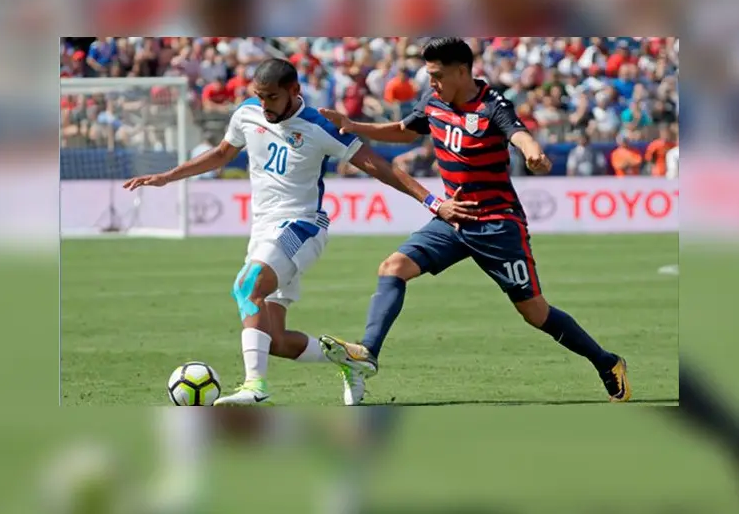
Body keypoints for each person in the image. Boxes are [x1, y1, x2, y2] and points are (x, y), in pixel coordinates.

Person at [123, 58, 477, 406]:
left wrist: (433, 202)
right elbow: (220, 154)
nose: (264, 106)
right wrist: (168, 176)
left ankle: (255, 386)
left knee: (247, 286)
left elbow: (378, 167)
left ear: (294, 90)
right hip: (263, 231)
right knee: (273, 339)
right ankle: (352, 359)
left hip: (302, 225)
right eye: (259, 96)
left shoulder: (317, 125)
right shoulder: (247, 113)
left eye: (272, 98)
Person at [315, 38, 629, 405]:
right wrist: (353, 125)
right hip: (453, 219)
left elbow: (519, 134)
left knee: (535, 313)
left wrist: (534, 155)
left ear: (462, 72)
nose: (431, 82)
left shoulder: (492, 105)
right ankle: (367, 352)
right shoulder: (434, 102)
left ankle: (608, 363)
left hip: (498, 225)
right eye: (428, 75)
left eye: (437, 75)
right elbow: (405, 129)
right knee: (393, 267)